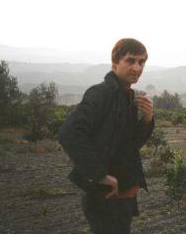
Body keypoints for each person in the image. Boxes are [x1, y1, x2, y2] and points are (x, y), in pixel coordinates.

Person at [58, 38, 154, 234]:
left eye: (141, 62)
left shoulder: (127, 96)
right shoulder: (101, 93)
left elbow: (130, 144)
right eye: (130, 61)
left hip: (124, 196)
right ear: (114, 63)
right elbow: (70, 133)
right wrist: (99, 175)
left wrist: (146, 120)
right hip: (107, 198)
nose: (137, 67)